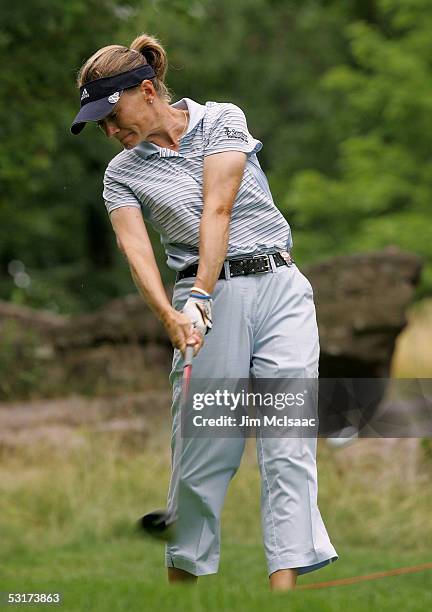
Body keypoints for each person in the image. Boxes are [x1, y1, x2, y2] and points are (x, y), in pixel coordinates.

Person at [71, 33, 338, 591]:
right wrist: (173, 314)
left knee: (287, 445)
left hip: (279, 288)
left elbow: (219, 207)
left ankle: (283, 595)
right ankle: (183, 592)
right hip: (202, 307)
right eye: (100, 125)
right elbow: (135, 249)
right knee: (204, 453)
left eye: (112, 115)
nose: (110, 131)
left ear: (147, 91)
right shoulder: (121, 172)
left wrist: (200, 295)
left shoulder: (222, 119)